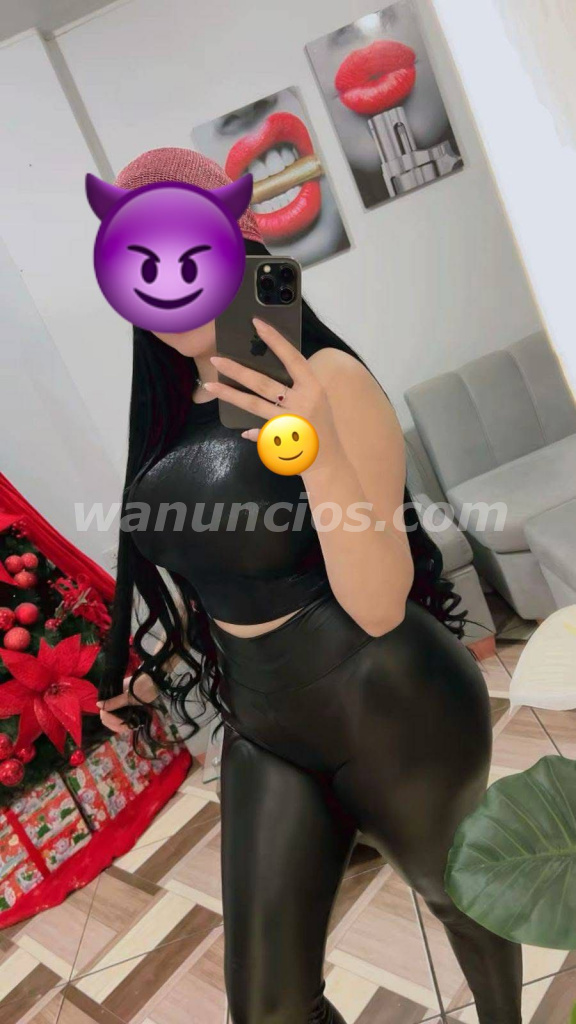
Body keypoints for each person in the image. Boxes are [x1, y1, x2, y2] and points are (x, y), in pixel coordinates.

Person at [97, 148, 523, 1024]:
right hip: (265, 727)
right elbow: (209, 581)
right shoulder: (166, 416)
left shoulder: (329, 380)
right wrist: (147, 678)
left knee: (463, 906)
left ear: (240, 242)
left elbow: (379, 601)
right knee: (268, 1008)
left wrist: (318, 446)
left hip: (392, 706)